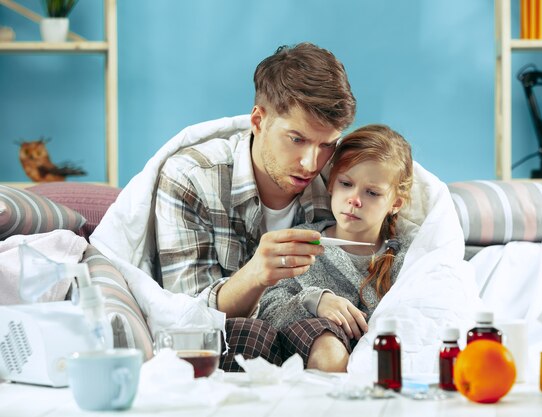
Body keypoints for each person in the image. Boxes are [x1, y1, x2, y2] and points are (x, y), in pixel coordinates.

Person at [153, 42, 356, 370]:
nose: (311, 163)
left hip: (321, 344)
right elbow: (187, 321)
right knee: (247, 334)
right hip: (233, 352)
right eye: (297, 139)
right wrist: (256, 275)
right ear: (258, 121)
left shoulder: (344, 181)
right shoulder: (191, 178)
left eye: (327, 145)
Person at [258, 124, 415, 371]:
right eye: (346, 184)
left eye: (372, 192)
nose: (355, 199)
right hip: (307, 353)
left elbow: (417, 318)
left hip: (377, 365)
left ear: (395, 203)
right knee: (326, 344)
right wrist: (313, 300)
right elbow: (267, 308)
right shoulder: (301, 242)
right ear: (331, 184)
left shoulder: (407, 259)